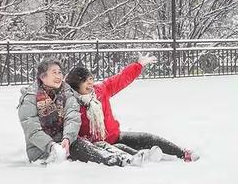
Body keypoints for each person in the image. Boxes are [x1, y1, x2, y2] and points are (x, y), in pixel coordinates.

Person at [64, 53, 199, 165]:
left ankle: (182, 153)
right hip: (97, 144)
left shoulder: (100, 91)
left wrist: (138, 66)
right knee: (119, 149)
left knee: (146, 138)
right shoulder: (72, 104)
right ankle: (141, 157)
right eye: (85, 81)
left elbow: (120, 79)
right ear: (76, 86)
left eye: (91, 79)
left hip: (114, 135)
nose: (90, 83)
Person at [18, 58, 148, 167]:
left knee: (87, 143)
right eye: (54, 72)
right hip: (42, 151)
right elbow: (32, 130)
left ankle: (126, 158)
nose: (58, 76)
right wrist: (51, 146)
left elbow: (72, 117)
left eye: (60, 72)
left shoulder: (66, 93)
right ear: (42, 77)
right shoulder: (30, 98)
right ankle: (119, 161)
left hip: (65, 143)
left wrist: (67, 138)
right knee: (80, 145)